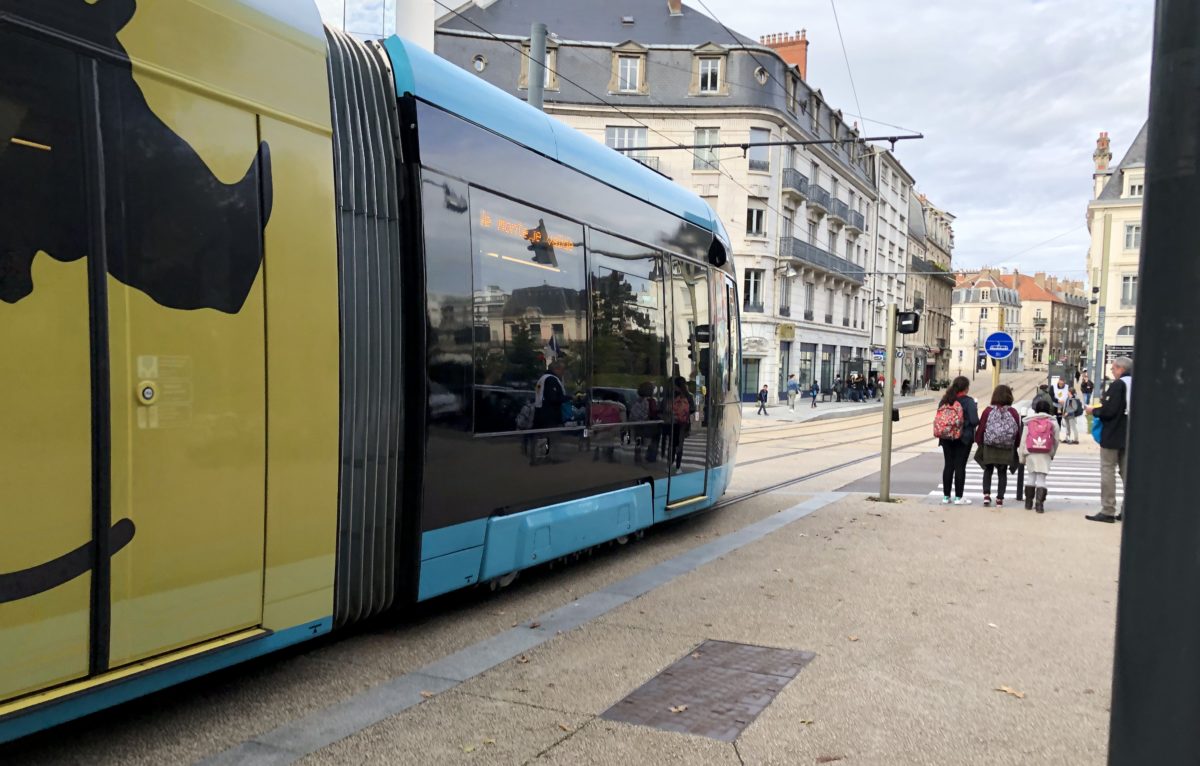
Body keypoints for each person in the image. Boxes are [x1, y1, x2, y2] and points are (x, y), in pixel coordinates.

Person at [1087, 357, 1132, 523]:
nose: (1112, 372)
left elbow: (1110, 411)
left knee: (1108, 470)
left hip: (1113, 434)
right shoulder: (1138, 383)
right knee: (1128, 474)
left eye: (1113, 368)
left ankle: (1108, 510)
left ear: (1120, 368)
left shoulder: (1118, 384)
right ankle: (1128, 510)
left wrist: (1094, 411)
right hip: (1131, 435)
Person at [974, 384, 1022, 507]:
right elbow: (1017, 431)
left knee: (988, 470)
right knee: (1002, 473)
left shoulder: (988, 411)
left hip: (989, 446)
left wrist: (979, 442)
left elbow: (981, 428)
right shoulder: (1013, 412)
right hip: (1006, 448)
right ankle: (999, 499)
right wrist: (1016, 445)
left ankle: (986, 495)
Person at [935, 376, 979, 505]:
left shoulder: (945, 400)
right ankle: (958, 497)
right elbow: (974, 420)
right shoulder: (969, 401)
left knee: (948, 465)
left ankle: (945, 496)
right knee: (960, 466)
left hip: (946, 438)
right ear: (966, 388)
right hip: (963, 439)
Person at [1019, 398, 1060, 512]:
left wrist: (1022, 456)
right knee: (1041, 478)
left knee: (1031, 476)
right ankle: (1039, 505)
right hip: (1045, 452)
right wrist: (1052, 453)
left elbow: (1023, 441)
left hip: (1031, 452)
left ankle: (1028, 503)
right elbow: (1056, 440)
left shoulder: (1029, 422)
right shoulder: (1053, 423)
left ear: (1035, 409)